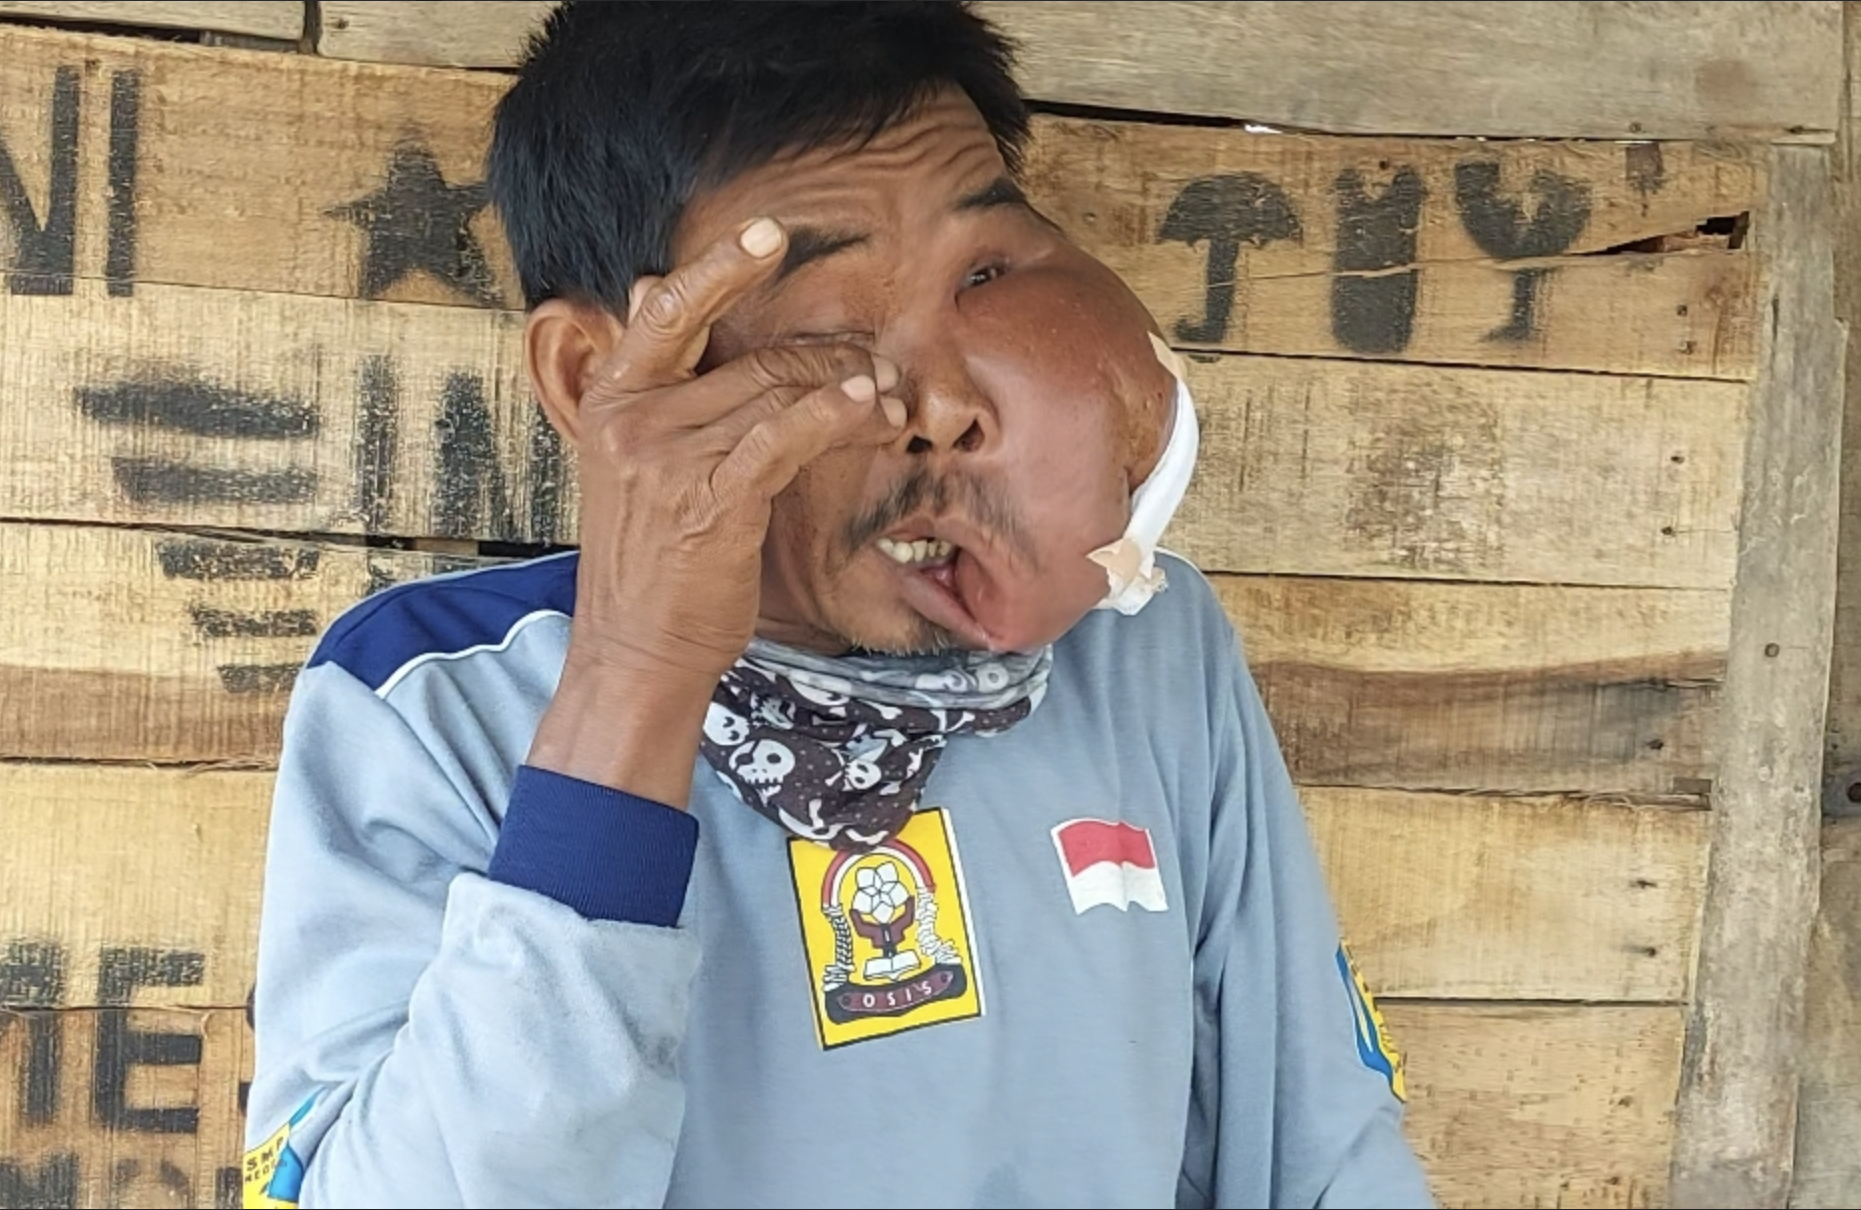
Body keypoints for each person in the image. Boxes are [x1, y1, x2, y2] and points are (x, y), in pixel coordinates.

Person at [240, 3, 1434, 1207]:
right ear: (596, 378)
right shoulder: (430, 704)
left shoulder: (1138, 646)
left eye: (983, 277)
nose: (947, 400)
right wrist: (636, 676)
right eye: (834, 336)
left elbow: (1320, 1150)